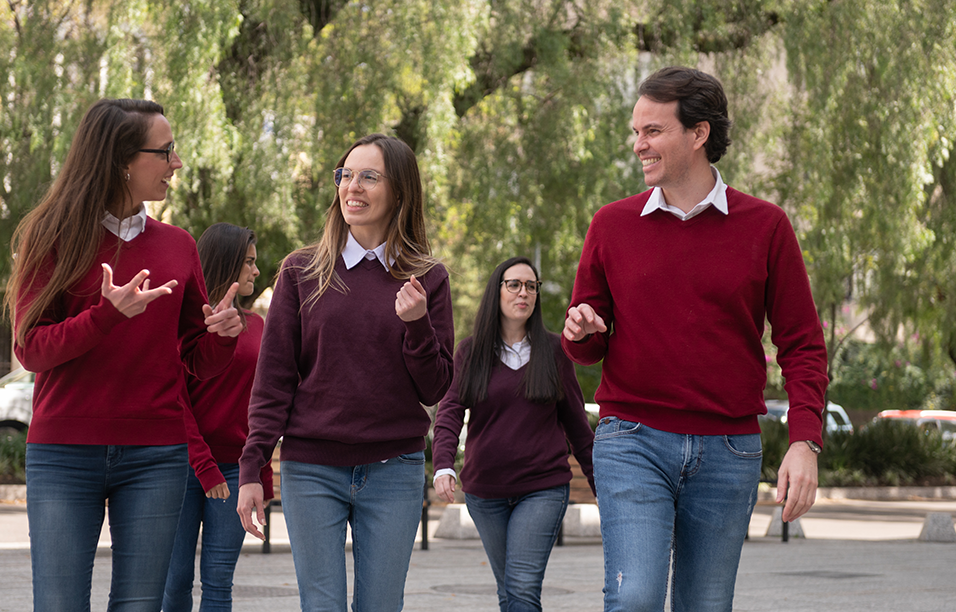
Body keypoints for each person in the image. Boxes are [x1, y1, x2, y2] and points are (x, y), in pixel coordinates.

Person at [562, 66, 829, 612]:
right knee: (634, 597)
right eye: (636, 131)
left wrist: (804, 441)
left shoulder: (766, 226)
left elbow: (802, 343)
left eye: (653, 131)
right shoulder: (611, 225)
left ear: (699, 133)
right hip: (631, 439)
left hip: (729, 449)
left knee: (705, 605)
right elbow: (587, 345)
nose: (638, 144)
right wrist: (582, 331)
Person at [5, 98, 243, 611]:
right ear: (122, 161)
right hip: (64, 453)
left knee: (139, 605)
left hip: (157, 454)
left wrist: (223, 337)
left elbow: (196, 359)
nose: (177, 162)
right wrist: (105, 316)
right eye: (165, 151)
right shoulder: (51, 236)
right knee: (59, 604)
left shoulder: (179, 246)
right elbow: (31, 349)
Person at [235, 133, 454, 612]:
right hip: (311, 469)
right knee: (322, 606)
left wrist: (418, 326)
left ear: (400, 190)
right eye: (346, 175)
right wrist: (253, 466)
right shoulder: (300, 271)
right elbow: (273, 381)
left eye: (369, 176)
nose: (352, 187)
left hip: (394, 470)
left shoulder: (428, 278)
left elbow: (435, 387)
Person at [432, 256, 595, 612]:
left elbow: (577, 427)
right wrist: (443, 465)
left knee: (521, 588)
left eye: (531, 286)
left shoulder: (555, 352)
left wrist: (604, 488)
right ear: (497, 291)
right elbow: (450, 412)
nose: (524, 292)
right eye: (515, 284)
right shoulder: (471, 352)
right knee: (509, 591)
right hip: (485, 492)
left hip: (543, 488)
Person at [162, 223, 274, 612]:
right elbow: (176, 401)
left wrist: (259, 472)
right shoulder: (184, 324)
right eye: (249, 262)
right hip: (181, 465)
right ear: (227, 264)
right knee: (174, 580)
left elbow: (261, 402)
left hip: (234, 470)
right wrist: (204, 465)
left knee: (219, 580)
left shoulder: (257, 327)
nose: (256, 270)